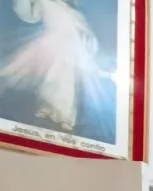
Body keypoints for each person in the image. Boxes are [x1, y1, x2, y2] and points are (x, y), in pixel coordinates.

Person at [1, 0, 101, 133]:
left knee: (66, 83)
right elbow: (29, 15)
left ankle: (63, 116)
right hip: (55, 43)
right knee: (51, 78)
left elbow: (84, 31)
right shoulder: (44, 2)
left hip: (71, 48)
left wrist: (87, 44)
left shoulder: (72, 10)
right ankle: (50, 110)